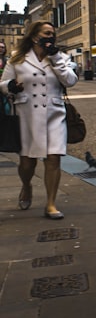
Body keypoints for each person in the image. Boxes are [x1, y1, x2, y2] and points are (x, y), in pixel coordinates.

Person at [0, 21, 79, 219]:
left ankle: (51, 204)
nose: (50, 37)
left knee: (53, 158)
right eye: (46, 33)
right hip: (27, 115)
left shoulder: (61, 58)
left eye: (52, 33)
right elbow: (2, 84)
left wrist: (55, 59)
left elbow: (70, 81)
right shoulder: (18, 59)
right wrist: (11, 86)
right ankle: (26, 186)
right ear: (35, 36)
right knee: (27, 163)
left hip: (54, 113)